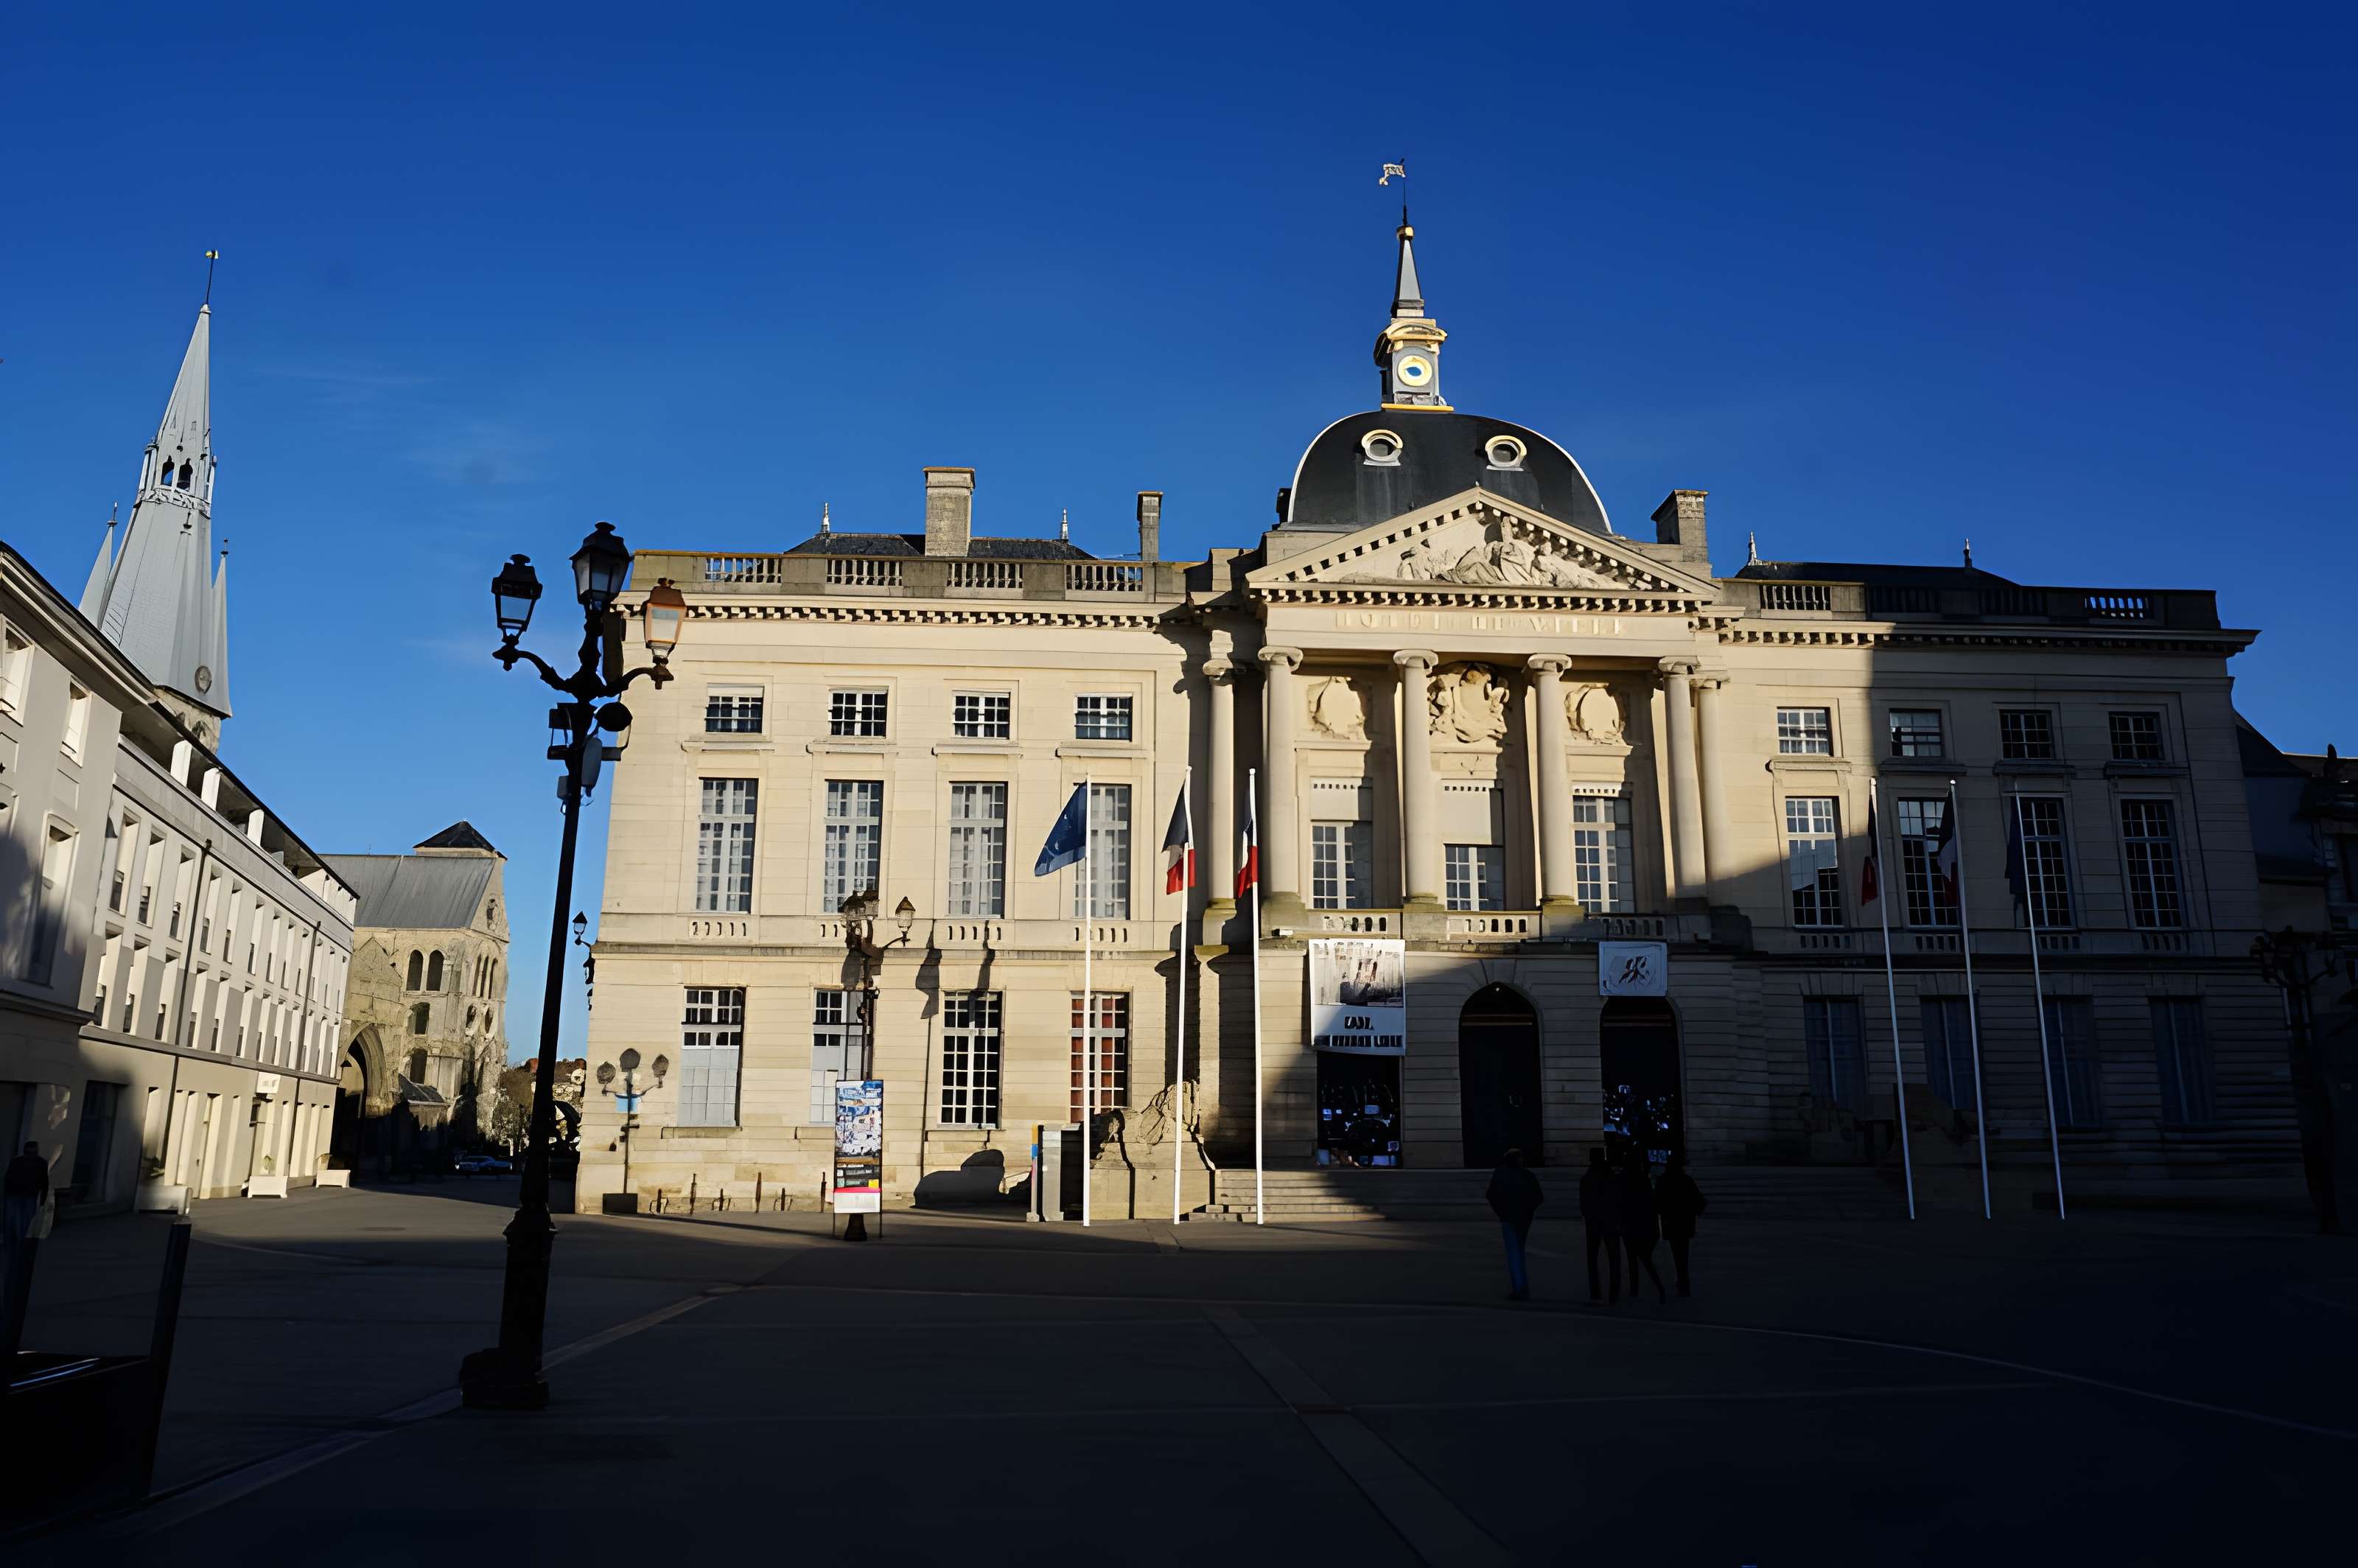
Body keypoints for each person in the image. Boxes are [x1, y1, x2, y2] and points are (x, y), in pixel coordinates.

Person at [1486, 1147, 1544, 1301]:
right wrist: (1528, 1213)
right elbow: (1538, 1197)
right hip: (1522, 1218)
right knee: (1518, 1252)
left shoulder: (1501, 1174)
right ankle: (1521, 1286)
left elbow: (1491, 1195)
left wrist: (1501, 1213)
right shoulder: (1527, 1175)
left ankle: (1519, 1288)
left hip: (1509, 1218)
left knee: (1514, 1253)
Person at [1617, 1149, 1669, 1305]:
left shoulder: (1623, 1179)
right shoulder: (1643, 1179)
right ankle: (1657, 1290)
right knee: (1644, 1259)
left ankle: (1637, 1290)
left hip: (1629, 1224)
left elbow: (1620, 1202)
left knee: (1635, 1259)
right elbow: (1651, 1202)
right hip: (1643, 1224)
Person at [1656, 1154, 1707, 1298]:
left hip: (1671, 1223)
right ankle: (1683, 1284)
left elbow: (1656, 1203)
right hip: (1684, 1223)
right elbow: (1700, 1202)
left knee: (1678, 1255)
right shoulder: (1686, 1181)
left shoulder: (1663, 1181)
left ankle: (1682, 1283)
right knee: (1682, 1255)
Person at [1578, 1147, 1623, 1303]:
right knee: (1614, 1258)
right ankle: (1614, 1293)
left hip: (1594, 1221)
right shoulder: (1611, 1177)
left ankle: (1595, 1292)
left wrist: (1588, 1216)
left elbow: (1583, 1203)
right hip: (1610, 1220)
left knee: (1593, 1258)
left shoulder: (1587, 1178)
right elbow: (1618, 1200)